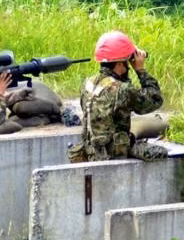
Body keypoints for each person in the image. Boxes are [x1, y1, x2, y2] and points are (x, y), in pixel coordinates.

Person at [68, 30, 166, 162]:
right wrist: (140, 70)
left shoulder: (87, 84)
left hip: (91, 152)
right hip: (114, 153)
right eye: (127, 62)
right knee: (160, 153)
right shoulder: (122, 89)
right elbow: (155, 99)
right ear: (120, 64)